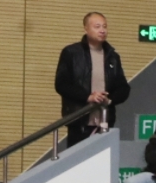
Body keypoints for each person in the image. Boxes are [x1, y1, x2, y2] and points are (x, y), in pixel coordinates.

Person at [55, 11, 131, 142]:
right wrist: (88, 97)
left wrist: (109, 100)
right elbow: (61, 84)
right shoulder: (71, 53)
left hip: (105, 122)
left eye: (105, 26)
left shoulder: (113, 57)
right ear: (86, 29)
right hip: (79, 122)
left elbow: (123, 88)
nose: (102, 30)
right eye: (97, 26)